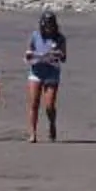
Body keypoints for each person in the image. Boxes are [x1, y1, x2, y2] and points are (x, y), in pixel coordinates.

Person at [23, 13, 65, 141]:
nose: (48, 28)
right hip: (36, 70)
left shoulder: (59, 38)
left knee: (49, 105)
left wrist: (57, 53)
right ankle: (33, 133)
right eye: (46, 25)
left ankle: (52, 124)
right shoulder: (35, 35)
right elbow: (28, 53)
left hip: (52, 72)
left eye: (50, 25)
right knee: (34, 103)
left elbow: (64, 58)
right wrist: (30, 55)